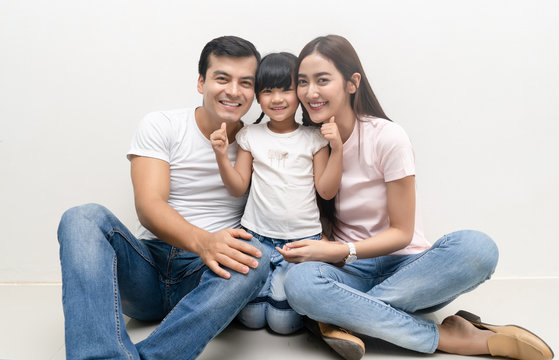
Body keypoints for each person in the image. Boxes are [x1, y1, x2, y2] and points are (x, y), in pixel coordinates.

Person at [279, 35, 554, 360]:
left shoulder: (387, 138)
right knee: (299, 283)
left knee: (478, 248)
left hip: (407, 269)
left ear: (352, 83)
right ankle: (449, 337)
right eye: (302, 82)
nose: (310, 92)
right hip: (349, 273)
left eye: (322, 80)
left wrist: (339, 250)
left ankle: (343, 316)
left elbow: (401, 233)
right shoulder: (306, 143)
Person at [57, 35, 271, 360]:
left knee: (258, 258)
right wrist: (204, 242)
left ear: (254, 93)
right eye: (222, 78)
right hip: (147, 266)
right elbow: (149, 206)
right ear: (201, 82)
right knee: (81, 216)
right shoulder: (163, 125)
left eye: (245, 83)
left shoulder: (259, 141)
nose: (233, 91)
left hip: (206, 278)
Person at [209, 52, 343, 335]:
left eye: (286, 89)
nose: (278, 98)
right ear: (257, 97)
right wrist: (222, 155)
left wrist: (337, 149)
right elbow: (238, 187)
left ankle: (318, 315)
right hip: (256, 238)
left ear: (300, 93)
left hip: (299, 243)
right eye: (268, 91)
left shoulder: (313, 138)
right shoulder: (251, 136)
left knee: (283, 325)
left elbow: (326, 191)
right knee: (251, 319)